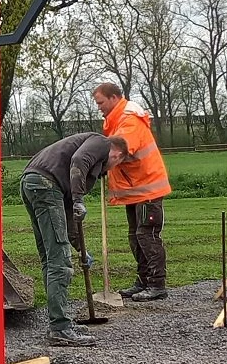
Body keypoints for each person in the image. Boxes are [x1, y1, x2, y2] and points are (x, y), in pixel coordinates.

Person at [19, 131, 126, 347]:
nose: (108, 170)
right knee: (59, 262)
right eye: (115, 165)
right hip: (45, 185)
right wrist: (79, 199)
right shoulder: (102, 143)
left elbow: (67, 216)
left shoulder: (65, 174)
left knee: (50, 258)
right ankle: (60, 328)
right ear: (118, 155)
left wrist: (80, 248)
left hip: (33, 183)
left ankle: (60, 323)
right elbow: (79, 160)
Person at [91, 80, 173, 301]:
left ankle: (157, 284)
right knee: (135, 236)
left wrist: (98, 165)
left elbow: (118, 150)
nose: (99, 107)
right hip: (135, 189)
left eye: (100, 102)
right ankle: (143, 281)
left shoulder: (129, 121)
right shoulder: (116, 121)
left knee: (146, 235)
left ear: (114, 98)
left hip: (147, 190)